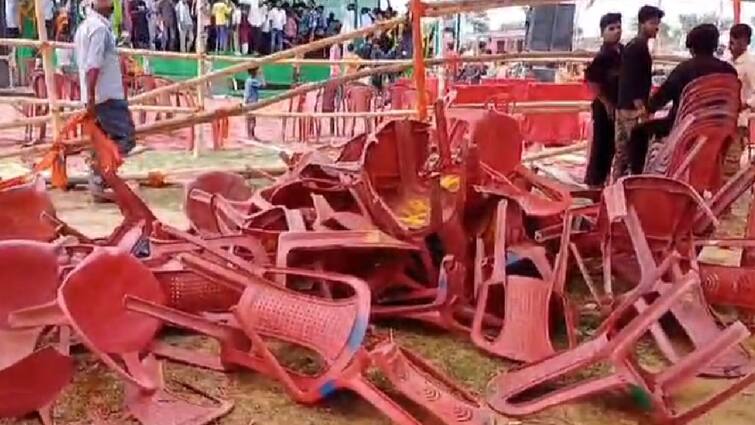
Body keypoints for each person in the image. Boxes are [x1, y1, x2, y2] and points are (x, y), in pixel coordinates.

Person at [634, 24, 737, 172]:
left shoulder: (684, 69)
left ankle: (636, 176)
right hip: (718, 129)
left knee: (638, 132)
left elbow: (660, 99)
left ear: (691, 47)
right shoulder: (729, 71)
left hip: (684, 128)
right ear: (715, 45)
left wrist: (647, 108)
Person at [74, 0, 136, 200]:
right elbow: (93, 65)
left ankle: (100, 180)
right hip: (106, 97)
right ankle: (101, 175)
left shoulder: (84, 28)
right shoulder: (99, 30)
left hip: (97, 96)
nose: (110, 3)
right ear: (94, 4)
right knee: (125, 138)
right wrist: (92, 96)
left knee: (102, 140)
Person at [612, 5, 663, 180]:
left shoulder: (634, 46)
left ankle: (615, 188)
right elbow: (632, 79)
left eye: (657, 23)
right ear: (642, 24)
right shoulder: (638, 48)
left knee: (623, 153)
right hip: (632, 109)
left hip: (624, 105)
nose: (656, 27)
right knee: (634, 153)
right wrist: (641, 107)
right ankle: (626, 190)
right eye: (652, 23)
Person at [583, 12, 623, 188]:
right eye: (611, 28)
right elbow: (592, 81)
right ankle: (595, 184)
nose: (616, 31)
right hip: (604, 108)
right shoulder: (602, 56)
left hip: (619, 105)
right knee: (601, 146)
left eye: (618, 27)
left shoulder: (623, 51)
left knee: (614, 147)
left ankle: (606, 181)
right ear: (603, 33)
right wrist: (607, 104)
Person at [726, 23, 755, 181]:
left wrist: (745, 104)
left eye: (735, 42)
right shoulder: (728, 62)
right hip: (725, 117)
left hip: (739, 120)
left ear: (745, 42)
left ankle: (729, 201)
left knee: (731, 161)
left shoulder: (751, 64)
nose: (731, 46)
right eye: (730, 42)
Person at [244, 67, 265, 139]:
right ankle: (251, 135)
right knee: (252, 119)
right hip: (252, 102)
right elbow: (263, 85)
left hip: (248, 101)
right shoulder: (252, 81)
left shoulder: (248, 80)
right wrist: (261, 75)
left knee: (249, 119)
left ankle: (250, 135)